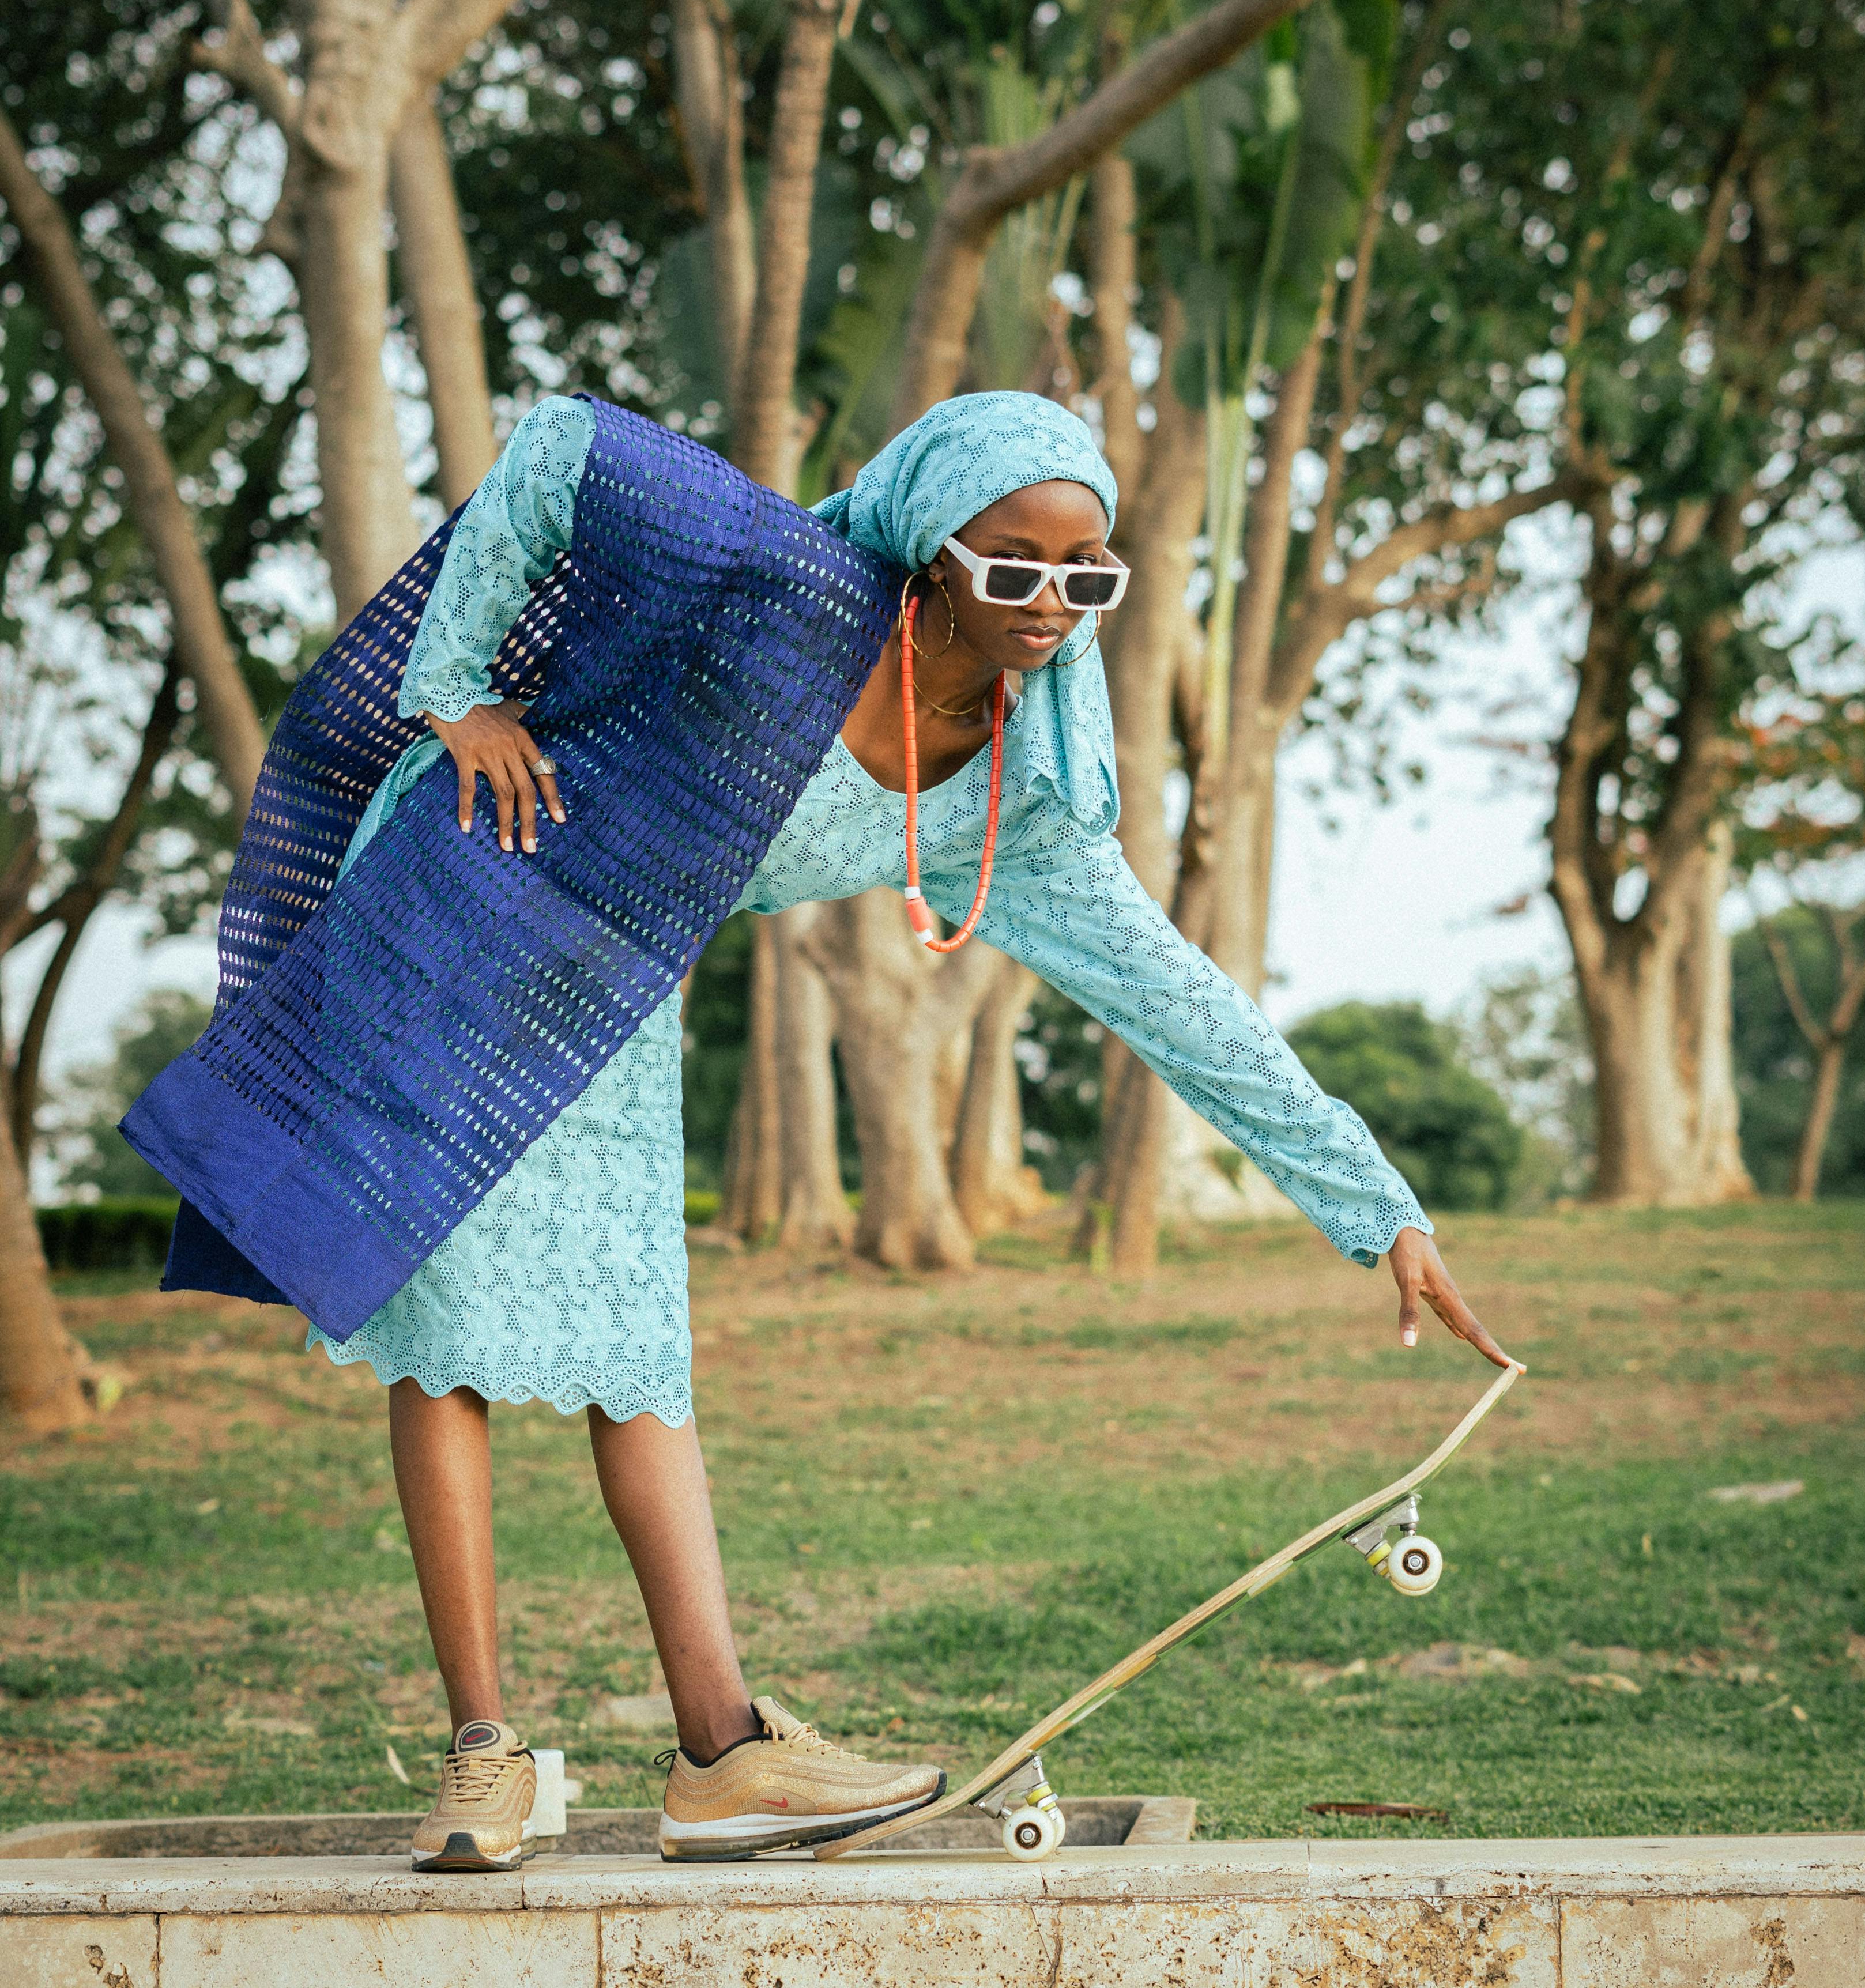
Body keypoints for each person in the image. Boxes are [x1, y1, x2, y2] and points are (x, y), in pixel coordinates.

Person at [130, 390, 1516, 1872]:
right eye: (1013, 563)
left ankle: (719, 1756)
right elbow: (558, 449)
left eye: (1084, 573)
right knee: (441, 1323)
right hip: (469, 877)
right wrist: (456, 691)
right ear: (932, 554)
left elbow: (1181, 1001)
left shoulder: (1017, 794)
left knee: (635, 1342)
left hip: (611, 975)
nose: (1051, 602)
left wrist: (1377, 1206)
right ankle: (485, 1754)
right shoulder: (788, 582)